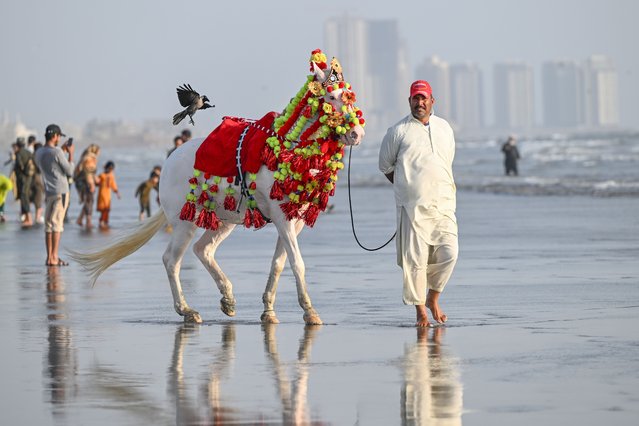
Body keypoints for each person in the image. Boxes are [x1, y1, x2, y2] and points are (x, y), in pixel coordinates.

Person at [379, 80, 459, 328]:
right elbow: (385, 166)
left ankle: (433, 298)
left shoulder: (445, 128)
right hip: (412, 208)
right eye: (415, 98)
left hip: (444, 205)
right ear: (409, 101)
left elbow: (447, 161)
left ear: (432, 100)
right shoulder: (398, 131)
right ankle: (420, 311)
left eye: (424, 98)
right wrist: (408, 187)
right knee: (415, 262)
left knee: (450, 253)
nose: (420, 103)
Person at [34, 124, 75, 266]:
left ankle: (49, 257)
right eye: (58, 136)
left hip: (49, 191)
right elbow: (69, 171)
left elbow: (50, 162)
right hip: (61, 191)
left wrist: (61, 151)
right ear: (56, 136)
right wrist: (70, 154)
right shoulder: (57, 152)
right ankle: (54, 257)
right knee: (57, 224)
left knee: (48, 224)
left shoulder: (38, 152)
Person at [73, 144, 100, 229]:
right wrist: (92, 184)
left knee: (87, 200)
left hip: (81, 182)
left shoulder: (86, 157)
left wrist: (95, 178)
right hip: (85, 183)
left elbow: (91, 172)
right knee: (89, 200)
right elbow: (88, 173)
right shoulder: (90, 159)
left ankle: (80, 219)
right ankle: (88, 221)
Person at [14, 137, 36, 227]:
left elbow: (19, 164)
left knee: (24, 196)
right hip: (29, 177)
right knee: (25, 195)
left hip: (22, 178)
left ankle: (29, 219)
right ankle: (27, 218)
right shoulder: (29, 152)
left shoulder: (19, 153)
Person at [96, 161, 120, 229]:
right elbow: (97, 183)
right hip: (101, 194)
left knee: (107, 209)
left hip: (108, 196)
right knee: (103, 209)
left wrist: (117, 192)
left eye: (111, 169)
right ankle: (102, 221)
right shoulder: (102, 175)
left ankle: (105, 221)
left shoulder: (111, 176)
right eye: (109, 168)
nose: (110, 170)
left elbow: (113, 185)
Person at [31, 142, 45, 224]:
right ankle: (37, 217)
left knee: (32, 199)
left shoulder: (32, 155)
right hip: (37, 179)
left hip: (31, 180)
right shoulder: (38, 157)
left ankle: (28, 216)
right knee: (38, 200)